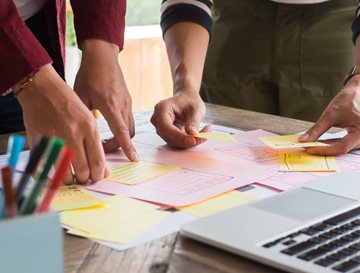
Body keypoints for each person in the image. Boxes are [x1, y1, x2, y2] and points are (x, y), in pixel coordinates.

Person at [153, 0, 360, 155]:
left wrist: (358, 79)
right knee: (226, 157)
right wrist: (185, 87)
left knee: (324, 156)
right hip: (236, 21)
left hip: (339, 22)